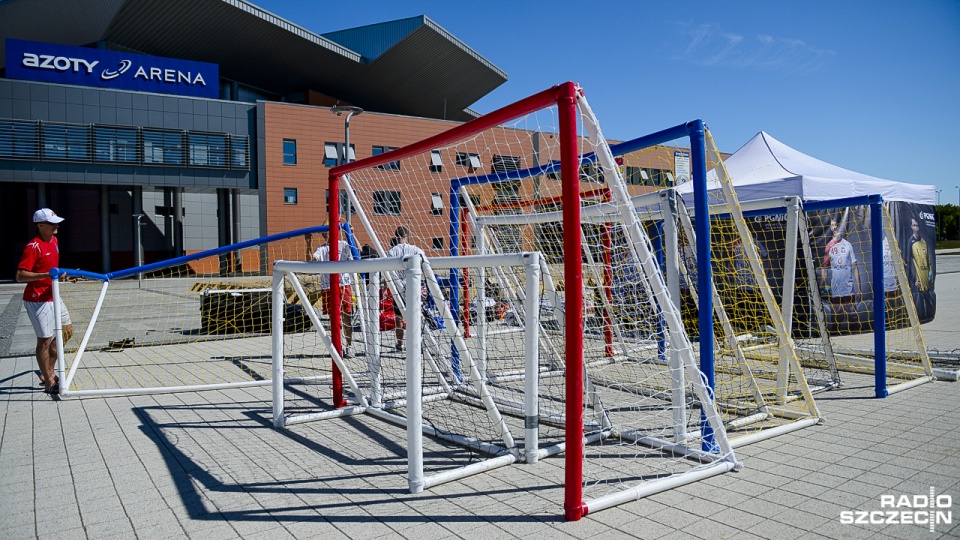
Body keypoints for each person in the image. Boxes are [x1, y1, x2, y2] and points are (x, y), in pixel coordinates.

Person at [16, 208, 74, 395]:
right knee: (45, 341)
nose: (57, 225)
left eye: (57, 222)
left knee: (67, 331)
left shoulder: (54, 241)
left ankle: (46, 370)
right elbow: (20, 275)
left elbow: (52, 269)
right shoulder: (33, 246)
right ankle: (49, 381)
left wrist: (62, 277)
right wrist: (46, 275)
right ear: (40, 225)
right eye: (52, 223)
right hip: (38, 298)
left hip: (53, 294)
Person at [311, 228, 355, 355]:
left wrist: (350, 234)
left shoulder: (344, 244)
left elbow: (356, 251)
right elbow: (313, 259)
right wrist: (308, 243)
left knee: (347, 317)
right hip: (328, 287)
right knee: (334, 319)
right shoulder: (322, 249)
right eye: (324, 233)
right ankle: (337, 346)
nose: (325, 235)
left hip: (343, 285)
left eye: (327, 232)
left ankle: (349, 345)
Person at [386, 226, 425, 351]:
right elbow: (424, 260)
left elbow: (388, 272)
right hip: (412, 286)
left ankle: (400, 343)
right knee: (416, 314)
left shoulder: (391, 252)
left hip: (398, 288)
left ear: (396, 237)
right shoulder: (415, 249)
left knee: (398, 317)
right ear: (406, 237)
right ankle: (417, 341)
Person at [823, 223, 859, 326]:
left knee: (852, 318)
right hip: (835, 289)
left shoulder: (847, 245)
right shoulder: (829, 246)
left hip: (848, 287)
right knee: (837, 317)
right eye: (832, 225)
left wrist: (859, 289)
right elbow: (824, 268)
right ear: (830, 228)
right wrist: (822, 285)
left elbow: (855, 267)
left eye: (836, 225)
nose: (834, 228)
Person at [907, 216, 934, 319]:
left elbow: (928, 261)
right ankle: (919, 316)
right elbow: (909, 263)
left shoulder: (923, 242)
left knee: (928, 301)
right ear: (911, 227)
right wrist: (913, 279)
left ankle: (928, 315)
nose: (916, 228)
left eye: (917, 225)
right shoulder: (911, 242)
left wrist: (930, 276)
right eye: (914, 225)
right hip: (918, 280)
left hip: (926, 278)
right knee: (919, 301)